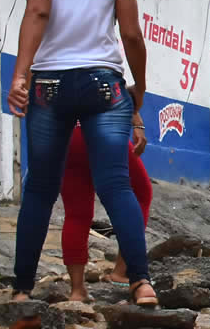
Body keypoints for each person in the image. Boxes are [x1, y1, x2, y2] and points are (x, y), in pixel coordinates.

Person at [6, 0, 155, 306]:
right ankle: (140, 283)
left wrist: (20, 74)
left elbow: (36, 12)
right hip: (103, 85)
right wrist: (138, 88)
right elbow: (131, 35)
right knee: (116, 185)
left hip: (49, 85)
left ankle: (21, 289)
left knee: (39, 189)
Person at [60, 125, 152, 302]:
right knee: (139, 193)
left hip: (67, 133)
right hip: (104, 128)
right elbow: (130, 97)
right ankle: (123, 271)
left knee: (76, 213)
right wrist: (137, 122)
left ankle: (77, 290)